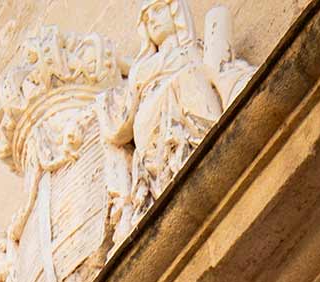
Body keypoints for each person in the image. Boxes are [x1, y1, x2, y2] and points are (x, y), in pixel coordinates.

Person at [100, 1, 252, 242]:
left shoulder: (193, 50)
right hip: (153, 137)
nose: (153, 21)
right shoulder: (141, 71)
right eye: (147, 19)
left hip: (189, 117)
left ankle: (203, 141)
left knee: (190, 77)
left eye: (158, 10)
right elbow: (123, 125)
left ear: (176, 12)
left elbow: (214, 70)